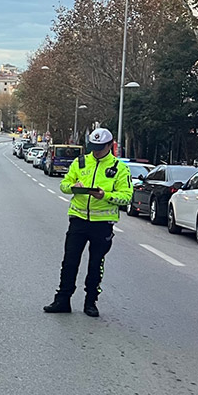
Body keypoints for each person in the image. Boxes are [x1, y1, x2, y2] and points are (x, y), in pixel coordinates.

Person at [44, 127, 132, 317]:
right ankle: (62, 300)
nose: (96, 151)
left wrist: (104, 195)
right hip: (78, 220)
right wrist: (73, 187)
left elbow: (126, 197)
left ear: (110, 145)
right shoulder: (80, 162)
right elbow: (64, 184)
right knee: (69, 262)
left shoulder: (119, 168)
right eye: (93, 147)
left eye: (100, 147)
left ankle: (90, 302)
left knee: (95, 264)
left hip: (102, 224)